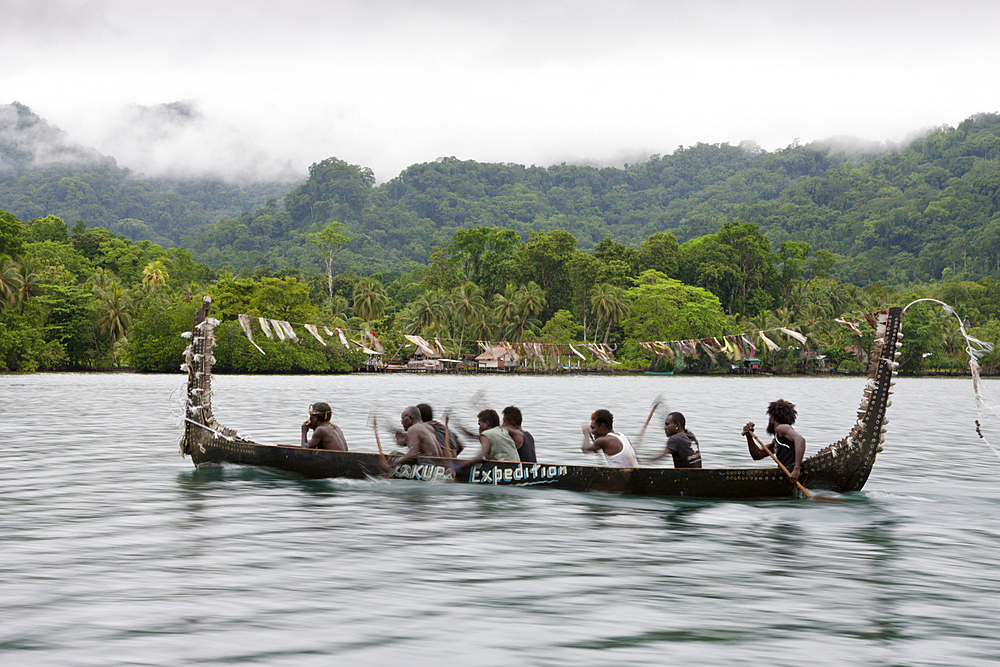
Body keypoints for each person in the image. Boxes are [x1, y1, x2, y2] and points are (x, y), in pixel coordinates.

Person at [742, 399, 806, 482]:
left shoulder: (782, 428)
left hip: (792, 475)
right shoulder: (778, 439)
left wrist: (796, 470)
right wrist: (749, 436)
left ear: (772, 418)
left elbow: (800, 440)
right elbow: (757, 455)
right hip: (788, 475)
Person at [453, 409, 520, 470]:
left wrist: (458, 468)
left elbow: (480, 457)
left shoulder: (486, 435)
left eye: (479, 425)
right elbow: (473, 436)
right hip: (518, 469)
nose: (479, 428)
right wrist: (460, 427)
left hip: (505, 470)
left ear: (486, 424)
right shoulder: (502, 431)